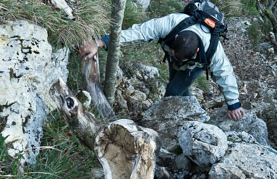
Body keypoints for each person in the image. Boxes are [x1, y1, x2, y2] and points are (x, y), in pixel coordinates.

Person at [79, 12, 245, 121]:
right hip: (179, 56)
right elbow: (139, 32)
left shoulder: (212, 49)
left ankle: (161, 122)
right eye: (175, 54)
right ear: (176, 38)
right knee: (177, 87)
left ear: (197, 51)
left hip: (193, 67)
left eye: (183, 58)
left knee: (172, 93)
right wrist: (100, 42)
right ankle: (194, 113)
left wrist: (233, 104)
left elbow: (225, 74)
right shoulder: (171, 23)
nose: (180, 60)